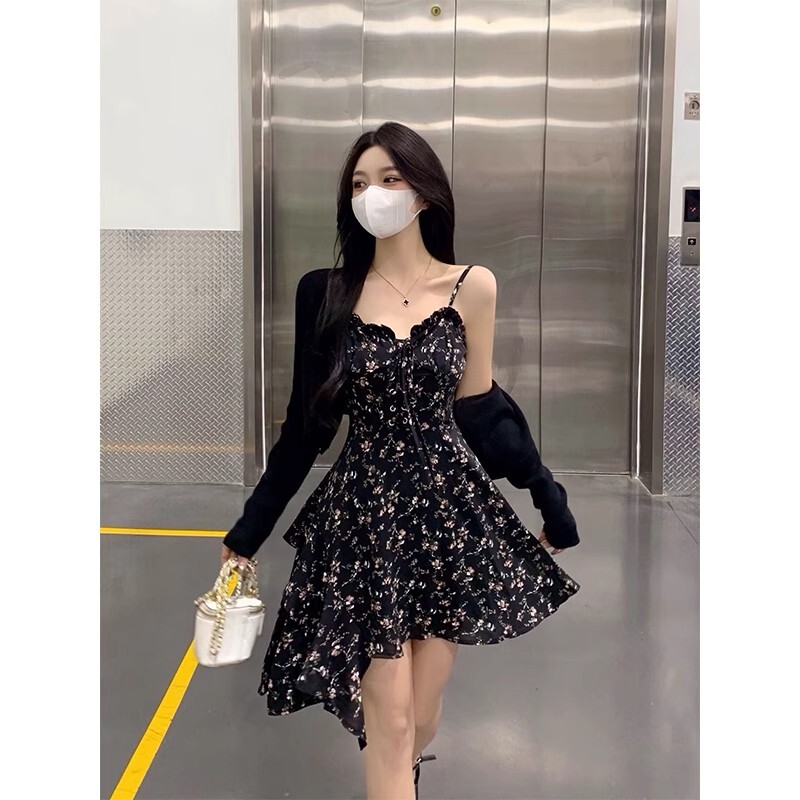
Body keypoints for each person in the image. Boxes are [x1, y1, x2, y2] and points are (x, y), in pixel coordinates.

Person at [220, 121, 581, 800]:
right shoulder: (325, 292)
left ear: (423, 191)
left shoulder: (472, 287)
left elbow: (484, 412)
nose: (373, 194)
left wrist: (548, 496)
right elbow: (305, 430)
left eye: (389, 178)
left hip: (447, 519)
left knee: (421, 715)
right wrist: (249, 530)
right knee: (388, 720)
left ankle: (407, 770)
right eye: (359, 184)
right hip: (364, 520)